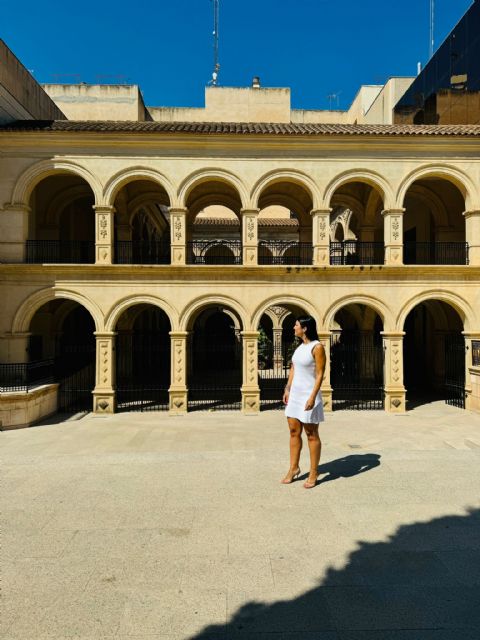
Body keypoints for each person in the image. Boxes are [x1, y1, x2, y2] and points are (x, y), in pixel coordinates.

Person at [282, 316, 326, 489]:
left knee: (311, 434)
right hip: (295, 395)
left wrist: (312, 397)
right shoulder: (299, 347)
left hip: (309, 394)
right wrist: (287, 389)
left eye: (296, 325)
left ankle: (314, 472)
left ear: (305, 328)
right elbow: (293, 368)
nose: (294, 327)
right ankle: (294, 468)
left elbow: (321, 374)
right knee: (294, 431)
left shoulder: (317, 347)